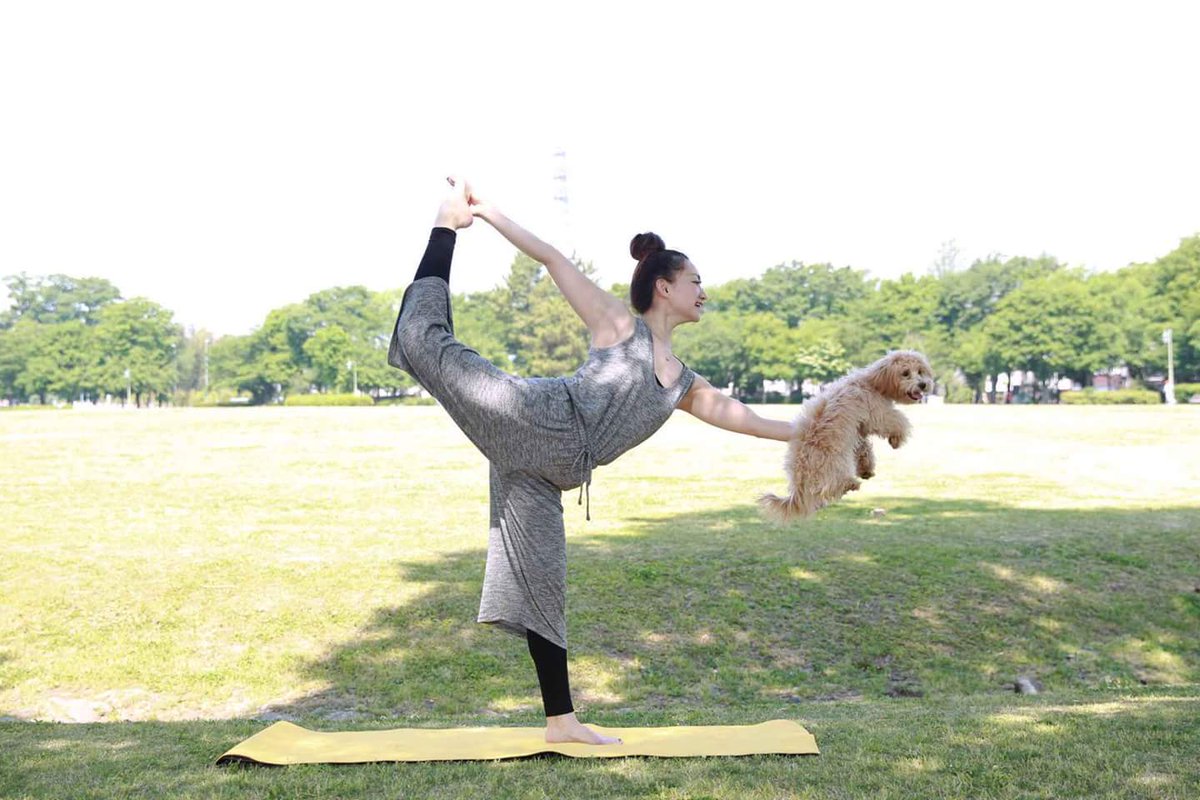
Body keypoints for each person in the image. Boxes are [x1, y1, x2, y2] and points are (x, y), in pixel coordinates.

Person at [388, 178, 793, 745]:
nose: (704, 291)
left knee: (543, 588)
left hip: (547, 474)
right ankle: (442, 224)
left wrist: (815, 432)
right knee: (421, 338)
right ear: (664, 286)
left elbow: (747, 419)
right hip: (531, 416)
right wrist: (487, 214)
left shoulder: (684, 384)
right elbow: (551, 257)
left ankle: (562, 723)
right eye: (696, 281)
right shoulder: (618, 326)